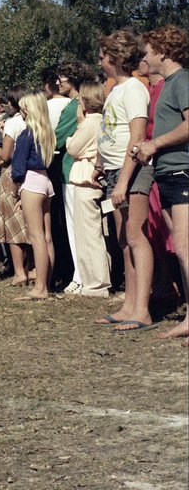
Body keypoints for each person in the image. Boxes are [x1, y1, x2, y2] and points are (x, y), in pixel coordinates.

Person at [94, 30, 155, 332]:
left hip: (130, 171)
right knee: (123, 239)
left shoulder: (133, 88)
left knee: (135, 236)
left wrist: (122, 182)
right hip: (114, 170)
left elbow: (137, 136)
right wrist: (101, 164)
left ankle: (142, 309)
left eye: (103, 55)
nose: (99, 59)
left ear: (116, 58)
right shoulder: (115, 90)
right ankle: (129, 304)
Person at [133, 25, 188, 342]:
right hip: (167, 173)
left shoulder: (182, 80)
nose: (144, 56)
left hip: (182, 172)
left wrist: (154, 145)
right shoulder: (168, 85)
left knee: (184, 247)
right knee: (181, 248)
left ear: (163, 52)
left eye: (148, 50)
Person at [65, 82, 111, 298]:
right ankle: (95, 280)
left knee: (88, 234)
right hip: (89, 178)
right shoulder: (101, 121)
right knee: (94, 233)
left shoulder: (90, 122)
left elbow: (73, 147)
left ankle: (95, 283)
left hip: (85, 179)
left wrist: (74, 131)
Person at [11, 92, 57, 301]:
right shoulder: (47, 134)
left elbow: (18, 168)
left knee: (36, 236)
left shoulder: (26, 134)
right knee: (46, 237)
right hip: (46, 180)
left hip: (30, 182)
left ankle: (40, 288)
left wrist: (15, 191)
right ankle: (45, 282)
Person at [54, 62, 95, 292]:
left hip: (71, 171)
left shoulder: (73, 107)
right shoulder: (83, 103)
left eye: (62, 77)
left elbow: (58, 138)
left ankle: (80, 277)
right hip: (77, 170)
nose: (58, 82)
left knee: (74, 227)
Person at [0, 87, 30, 286]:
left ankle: (19, 271)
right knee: (31, 222)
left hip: (12, 172)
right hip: (32, 173)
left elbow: (6, 155)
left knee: (13, 223)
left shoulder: (13, 122)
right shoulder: (35, 120)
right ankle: (33, 267)